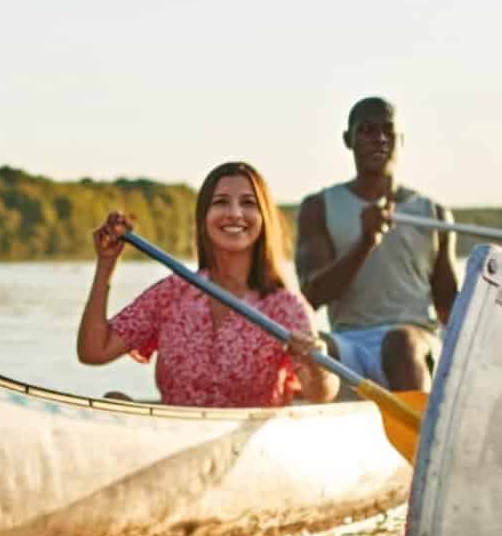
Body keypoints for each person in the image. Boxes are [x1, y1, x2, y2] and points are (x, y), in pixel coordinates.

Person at [77, 161, 335, 408]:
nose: (234, 213)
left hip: (249, 447)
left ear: (264, 217)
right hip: (174, 438)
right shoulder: (171, 292)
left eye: (248, 203)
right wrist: (106, 265)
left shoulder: (285, 306)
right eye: (221, 202)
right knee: (114, 399)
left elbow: (320, 395)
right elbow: (93, 351)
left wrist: (317, 365)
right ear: (204, 217)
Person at [296, 97, 456, 393]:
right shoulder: (318, 207)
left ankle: (417, 435)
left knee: (399, 344)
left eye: (388, 131)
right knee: (308, 345)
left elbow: (450, 309)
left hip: (414, 341)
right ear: (348, 140)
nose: (380, 139)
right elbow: (311, 296)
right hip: (350, 340)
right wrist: (366, 242)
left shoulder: (433, 213)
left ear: (400, 140)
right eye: (368, 130)